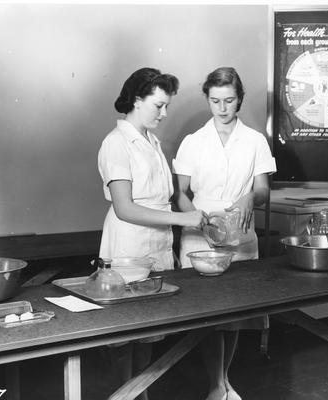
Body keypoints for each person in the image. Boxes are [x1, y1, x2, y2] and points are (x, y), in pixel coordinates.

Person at [97, 67, 208, 400]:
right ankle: (126, 393)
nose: (164, 113)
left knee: (149, 329)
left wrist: (193, 215)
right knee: (124, 330)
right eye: (158, 105)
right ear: (136, 99)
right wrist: (183, 219)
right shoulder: (116, 143)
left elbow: (163, 197)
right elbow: (124, 208)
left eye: (167, 106)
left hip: (157, 243)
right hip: (128, 243)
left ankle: (140, 392)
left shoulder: (152, 141)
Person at [173, 67, 276, 400]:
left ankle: (222, 381)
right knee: (208, 313)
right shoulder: (193, 142)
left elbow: (262, 190)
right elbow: (181, 193)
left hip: (239, 228)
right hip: (200, 230)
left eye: (229, 100)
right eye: (215, 100)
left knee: (233, 313)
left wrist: (250, 197)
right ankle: (217, 384)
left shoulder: (255, 140)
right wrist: (197, 219)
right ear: (208, 99)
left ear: (239, 99)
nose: (222, 108)